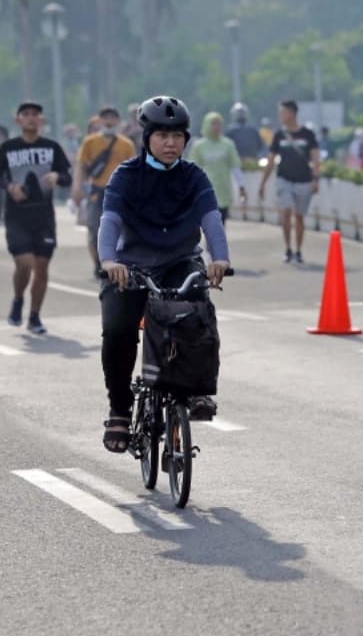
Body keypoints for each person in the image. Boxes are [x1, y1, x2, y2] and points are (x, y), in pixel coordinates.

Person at [98, 95, 230, 453]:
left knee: (198, 313)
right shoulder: (127, 175)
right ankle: (120, 410)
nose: (171, 143)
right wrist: (110, 261)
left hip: (179, 263)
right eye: (162, 135)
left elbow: (211, 219)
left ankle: (197, 391)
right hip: (130, 268)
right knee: (118, 329)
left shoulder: (193, 176)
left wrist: (220, 257)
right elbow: (109, 221)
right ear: (147, 138)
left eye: (177, 136)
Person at [0, 101, 72, 334]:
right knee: (25, 264)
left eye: (35, 115)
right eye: (26, 114)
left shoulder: (52, 147)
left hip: (44, 217)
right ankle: (18, 298)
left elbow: (67, 177)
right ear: (18, 119)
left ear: (41, 120)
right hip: (17, 216)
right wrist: (10, 186)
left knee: (41, 268)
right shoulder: (8, 148)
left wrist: (56, 177)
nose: (31, 118)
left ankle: (34, 316)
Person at [72, 106, 137, 278]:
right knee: (94, 229)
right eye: (105, 117)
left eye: (112, 118)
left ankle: (115, 261)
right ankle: (98, 262)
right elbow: (81, 166)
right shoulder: (90, 142)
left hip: (119, 194)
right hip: (96, 192)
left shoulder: (126, 144)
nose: (109, 121)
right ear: (100, 121)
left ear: (117, 121)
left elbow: (133, 170)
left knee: (120, 229)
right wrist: (77, 187)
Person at [258, 99, 319, 264]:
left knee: (299, 216)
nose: (281, 116)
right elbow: (270, 160)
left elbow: (315, 158)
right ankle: (288, 248)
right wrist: (263, 183)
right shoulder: (279, 135)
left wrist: (315, 179)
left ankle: (298, 250)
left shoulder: (307, 134)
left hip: (303, 181)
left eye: (284, 112)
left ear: (292, 114)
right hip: (284, 179)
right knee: (286, 212)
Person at [187, 111, 247, 224]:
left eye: (219, 124)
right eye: (213, 123)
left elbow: (235, 167)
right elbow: (192, 170)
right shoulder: (199, 146)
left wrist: (241, 186)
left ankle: (216, 241)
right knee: (209, 223)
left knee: (220, 223)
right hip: (205, 190)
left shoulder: (228, 144)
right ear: (206, 125)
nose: (216, 127)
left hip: (223, 190)